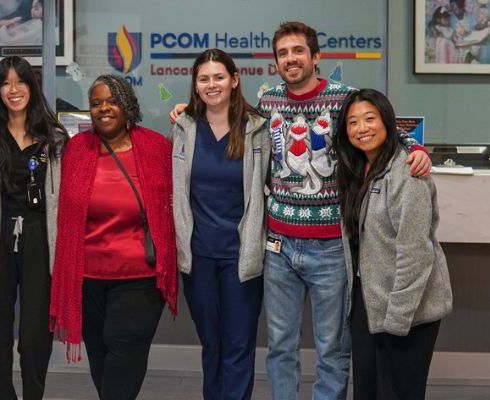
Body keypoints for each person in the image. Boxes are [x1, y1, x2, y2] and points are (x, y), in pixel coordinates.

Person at [169, 21, 431, 400]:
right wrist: (185, 109)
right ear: (275, 61)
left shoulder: (343, 99)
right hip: (278, 247)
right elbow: (222, 114)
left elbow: (381, 126)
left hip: (329, 249)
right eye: (282, 53)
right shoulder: (268, 104)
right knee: (280, 348)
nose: (290, 59)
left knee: (331, 350)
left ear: (316, 57)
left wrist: (415, 149)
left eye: (297, 52)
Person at [50, 74, 177, 400]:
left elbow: (172, 207)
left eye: (112, 101)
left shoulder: (155, 147)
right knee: (101, 353)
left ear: (127, 106)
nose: (103, 108)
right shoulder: (78, 148)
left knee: (125, 347)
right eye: (96, 103)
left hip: (141, 273)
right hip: (88, 275)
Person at [334, 89, 452, 399]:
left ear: (388, 122)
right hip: (370, 305)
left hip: (406, 310)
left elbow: (415, 254)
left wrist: (397, 320)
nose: (362, 128)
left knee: (397, 392)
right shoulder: (358, 169)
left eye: (370, 119)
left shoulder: (407, 173)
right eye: (353, 122)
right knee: (368, 391)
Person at [169, 48, 269, 400]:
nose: (212, 85)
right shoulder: (184, 128)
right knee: (212, 343)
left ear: (234, 79)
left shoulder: (257, 129)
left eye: (219, 77)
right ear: (195, 85)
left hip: (242, 256)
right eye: (204, 78)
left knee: (239, 345)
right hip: (198, 256)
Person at [0, 56, 68, 400]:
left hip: (39, 238)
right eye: (5, 83)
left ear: (33, 85)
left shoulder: (54, 135)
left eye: (20, 81)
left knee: (34, 336)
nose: (14, 90)